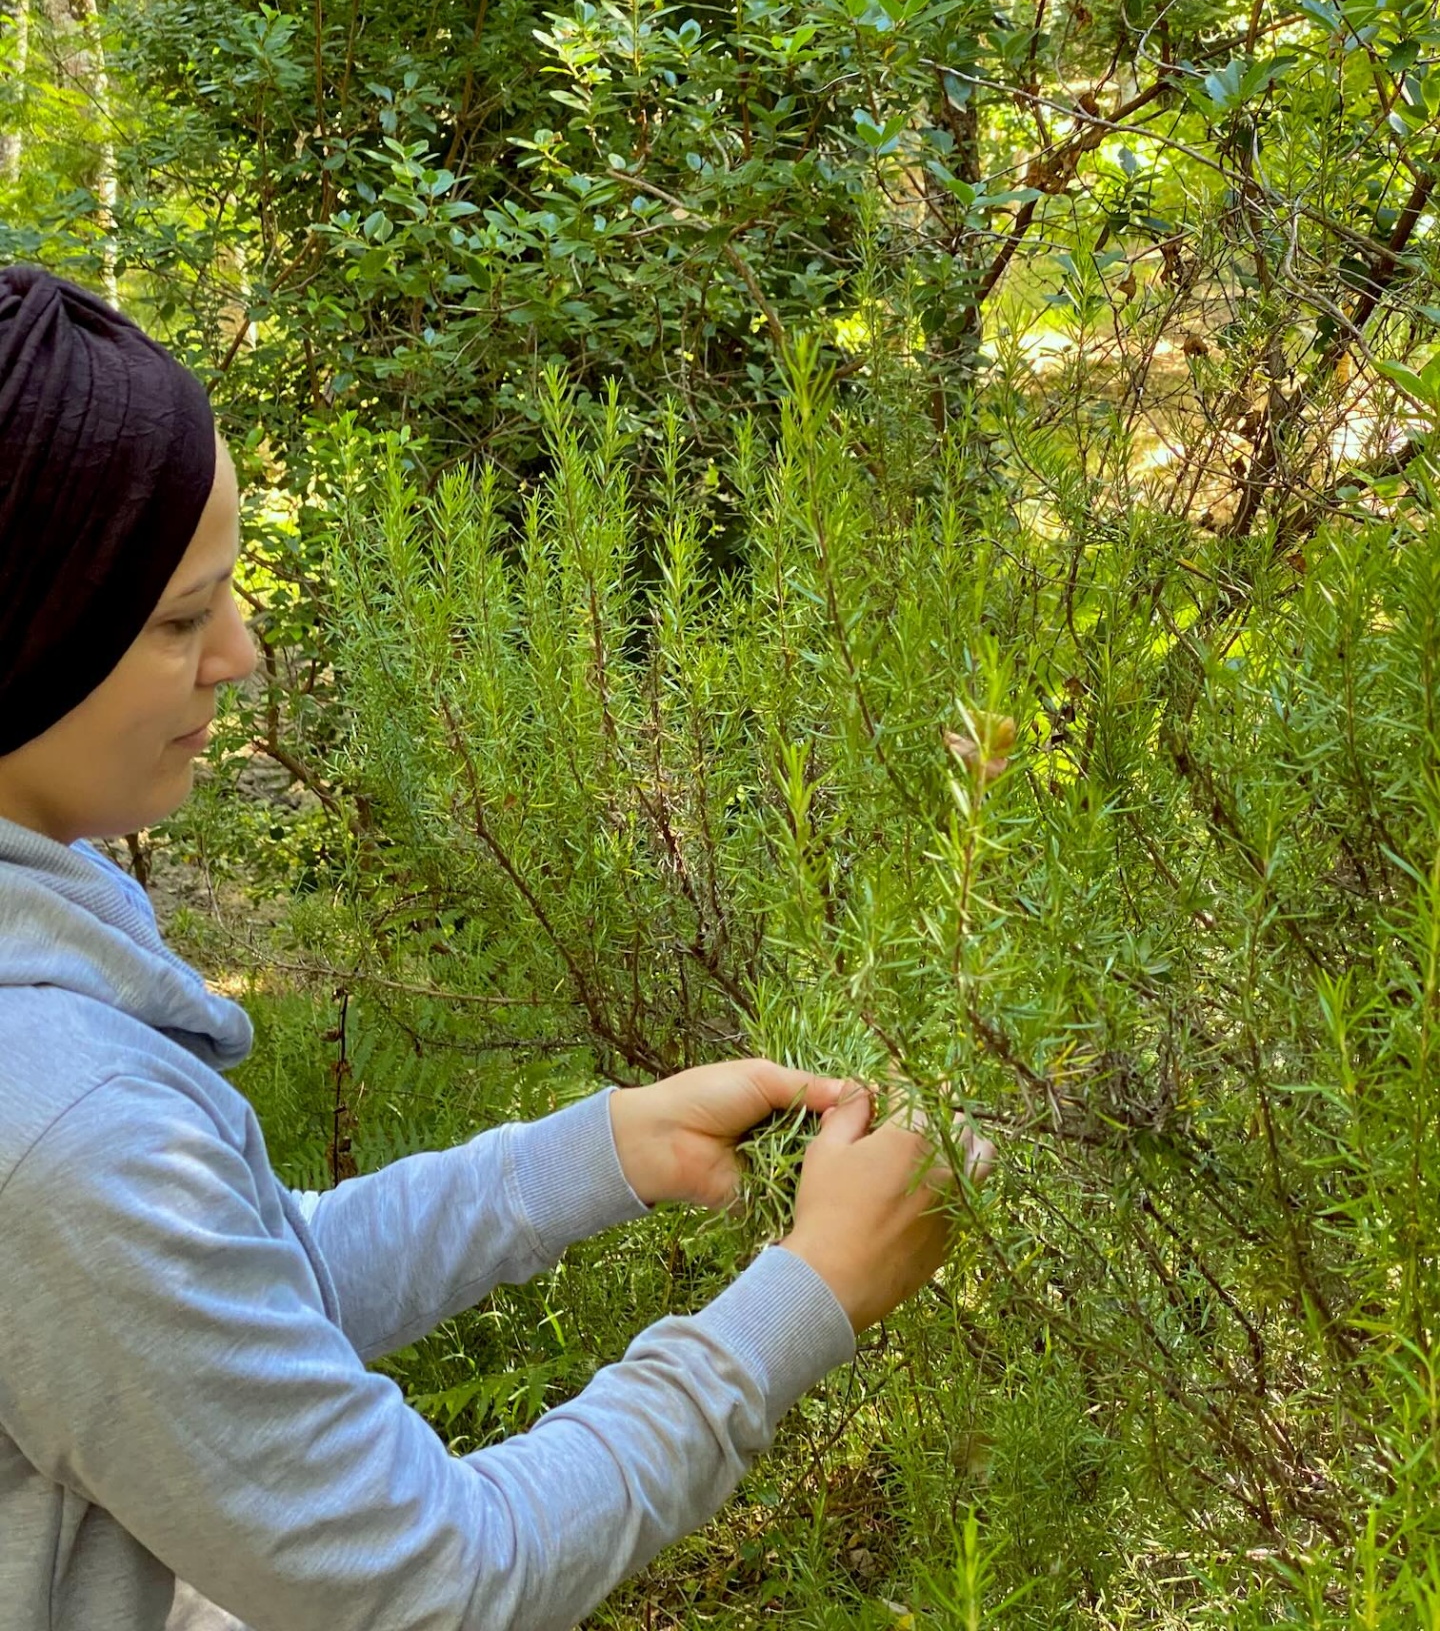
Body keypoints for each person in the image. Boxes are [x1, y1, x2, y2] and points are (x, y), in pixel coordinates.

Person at [0, 262, 992, 1631]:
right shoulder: (61, 1127)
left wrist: (601, 1152)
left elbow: (227, 1297)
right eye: (180, 619)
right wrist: (810, 1293)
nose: (243, 651)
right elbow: (438, 1584)